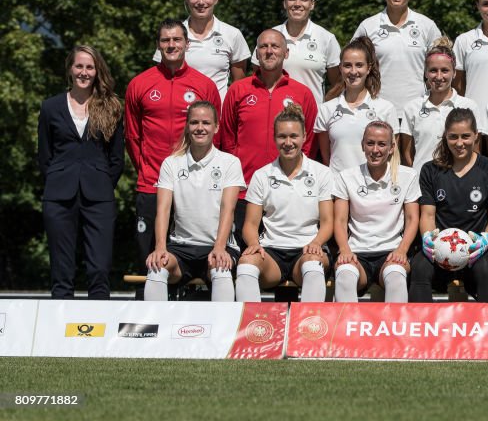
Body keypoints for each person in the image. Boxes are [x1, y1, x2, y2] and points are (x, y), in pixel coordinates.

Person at [126, 19, 221, 271]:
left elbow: (214, 136)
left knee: (194, 258)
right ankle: (146, 310)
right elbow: (133, 137)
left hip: (192, 183)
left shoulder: (205, 85)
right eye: (166, 40)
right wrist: (147, 169)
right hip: (151, 182)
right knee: (148, 261)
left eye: (177, 39)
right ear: (158, 45)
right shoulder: (139, 84)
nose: (171, 45)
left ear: (187, 44)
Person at [38, 45, 124, 299]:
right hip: (58, 196)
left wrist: (103, 184)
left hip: (99, 197)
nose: (84, 72)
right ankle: (59, 334)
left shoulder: (110, 106)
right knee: (62, 272)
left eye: (90, 67)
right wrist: (57, 179)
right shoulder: (50, 107)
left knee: (99, 270)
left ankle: (98, 335)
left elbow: (117, 158)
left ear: (97, 71)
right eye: (79, 66)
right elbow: (44, 156)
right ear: (70, 69)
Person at [221, 28, 317, 246]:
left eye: (275, 46)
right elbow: (227, 141)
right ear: (256, 53)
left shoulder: (303, 94)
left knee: (284, 261)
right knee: (242, 261)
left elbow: (308, 143)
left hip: (286, 193)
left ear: (286, 52)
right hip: (244, 192)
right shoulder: (237, 90)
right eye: (263, 46)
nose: (269, 51)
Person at [143, 101, 244, 302]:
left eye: (206, 123)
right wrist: (160, 247)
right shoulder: (171, 163)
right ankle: (156, 330)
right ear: (187, 127)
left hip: (217, 245)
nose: (200, 128)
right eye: (194, 122)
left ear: (216, 127)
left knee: (221, 269)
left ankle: (222, 332)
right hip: (181, 246)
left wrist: (219, 247)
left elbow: (228, 209)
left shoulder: (230, 162)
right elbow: (163, 210)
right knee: (156, 269)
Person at [234, 105, 333, 302]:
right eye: (282, 136)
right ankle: (255, 330)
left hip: (307, 249)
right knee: (245, 264)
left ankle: (309, 331)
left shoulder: (322, 173)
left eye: (294, 136)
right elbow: (251, 225)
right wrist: (254, 244)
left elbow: (327, 222)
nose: (288, 142)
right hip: (271, 253)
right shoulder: (261, 175)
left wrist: (316, 243)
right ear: (274, 138)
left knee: (313, 265)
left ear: (304, 136)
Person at [410, 109, 488, 302]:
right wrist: (428, 238)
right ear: (445, 136)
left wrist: (485, 240)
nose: (460, 143)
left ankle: (487, 328)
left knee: (486, 269)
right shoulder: (430, 170)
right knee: (419, 267)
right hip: (441, 248)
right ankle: (420, 328)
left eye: (466, 136)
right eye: (453, 137)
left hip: (475, 250)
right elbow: (427, 215)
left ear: (476, 136)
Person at [332, 121, 420, 303]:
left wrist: (402, 250)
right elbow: (339, 220)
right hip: (356, 251)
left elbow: (412, 219)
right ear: (362, 145)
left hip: (391, 251)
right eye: (370, 143)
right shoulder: (346, 177)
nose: (375, 149)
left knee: (396, 276)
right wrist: (344, 250)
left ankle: (394, 331)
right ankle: (347, 331)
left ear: (392, 147)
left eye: (382, 144)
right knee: (344, 276)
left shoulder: (408, 176)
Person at [352, 0, 442, 107]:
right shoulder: (368, 26)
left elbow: (443, 66)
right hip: (377, 108)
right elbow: (351, 67)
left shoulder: (427, 25)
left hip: (419, 108)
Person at [153, 0, 249, 100]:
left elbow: (238, 86)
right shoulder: (171, 37)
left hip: (217, 117)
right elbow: (160, 78)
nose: (201, 2)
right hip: (180, 115)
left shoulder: (232, 34)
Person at [250, 0, 341, 105]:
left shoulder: (327, 38)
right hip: (274, 117)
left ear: (312, 4)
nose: (297, 4)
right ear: (285, 3)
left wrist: (323, 108)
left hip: (311, 119)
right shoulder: (269, 37)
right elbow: (256, 75)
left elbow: (339, 83)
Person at [399, 37, 483, 173]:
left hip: (458, 181)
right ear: (425, 73)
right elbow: (407, 154)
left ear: (454, 72)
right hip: (422, 183)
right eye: (433, 70)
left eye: (445, 70)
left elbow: (475, 150)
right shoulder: (412, 107)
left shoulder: (469, 106)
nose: (438, 77)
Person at [316, 36, 399, 173]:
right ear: (340, 68)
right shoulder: (326, 109)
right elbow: (326, 157)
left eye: (359, 65)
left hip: (375, 188)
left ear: (368, 68)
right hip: (338, 189)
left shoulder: (386, 108)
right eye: (348, 65)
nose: (353, 72)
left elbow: (392, 155)